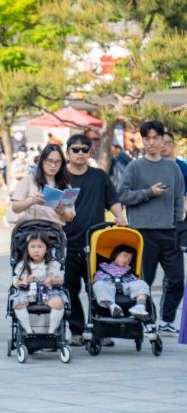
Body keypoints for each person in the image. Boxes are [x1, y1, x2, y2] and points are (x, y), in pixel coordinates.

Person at [118, 121, 185, 336]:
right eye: (147, 139)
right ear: (142, 140)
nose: (152, 143)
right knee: (143, 280)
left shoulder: (173, 167)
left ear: (163, 139)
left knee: (177, 279)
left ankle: (166, 319)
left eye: (156, 138)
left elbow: (178, 199)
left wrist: (176, 225)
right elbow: (122, 195)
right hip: (142, 232)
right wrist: (149, 192)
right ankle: (147, 318)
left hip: (169, 231)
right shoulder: (134, 167)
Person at [63, 133, 127, 345]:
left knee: (99, 287)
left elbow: (113, 200)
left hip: (97, 243)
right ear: (68, 152)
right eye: (75, 149)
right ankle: (76, 331)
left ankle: (102, 329)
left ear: (90, 152)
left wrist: (120, 216)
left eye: (84, 149)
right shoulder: (62, 178)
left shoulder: (100, 176)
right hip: (68, 243)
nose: (80, 153)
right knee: (70, 289)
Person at [8, 145, 76, 225]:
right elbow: (15, 208)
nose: (53, 165)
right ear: (42, 161)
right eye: (49, 161)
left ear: (62, 164)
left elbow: (70, 217)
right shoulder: (29, 180)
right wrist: (31, 201)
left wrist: (62, 212)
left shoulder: (66, 186)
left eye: (57, 162)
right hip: (29, 229)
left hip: (53, 231)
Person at [11, 234, 65, 334]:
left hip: (49, 293)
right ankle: (28, 330)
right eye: (32, 247)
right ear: (27, 249)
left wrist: (53, 280)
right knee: (18, 304)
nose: (36, 250)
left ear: (46, 249)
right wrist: (24, 281)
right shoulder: (22, 265)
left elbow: (61, 280)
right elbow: (15, 281)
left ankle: (52, 331)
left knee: (58, 303)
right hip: (28, 293)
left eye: (40, 247)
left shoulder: (53, 264)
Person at [92, 244, 151, 320]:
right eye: (125, 256)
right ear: (116, 255)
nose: (127, 260)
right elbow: (99, 279)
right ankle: (113, 307)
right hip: (109, 286)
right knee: (98, 285)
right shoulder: (104, 268)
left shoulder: (129, 271)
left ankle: (140, 306)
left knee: (142, 283)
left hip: (126, 287)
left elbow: (135, 284)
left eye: (130, 259)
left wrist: (135, 283)